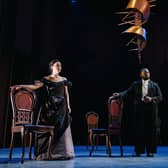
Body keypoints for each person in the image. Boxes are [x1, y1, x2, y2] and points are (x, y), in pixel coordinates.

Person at [14, 59, 75, 160]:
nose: (59, 67)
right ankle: (46, 153)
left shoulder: (64, 79)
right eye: (57, 65)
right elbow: (35, 86)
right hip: (50, 107)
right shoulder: (47, 79)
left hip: (62, 107)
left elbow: (66, 93)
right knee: (48, 129)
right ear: (52, 67)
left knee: (62, 128)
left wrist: (68, 105)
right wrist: (21, 86)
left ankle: (63, 153)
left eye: (60, 66)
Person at [110, 68, 163, 157]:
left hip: (151, 111)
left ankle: (150, 151)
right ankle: (139, 151)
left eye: (148, 72)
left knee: (151, 131)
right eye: (145, 72)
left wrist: (151, 99)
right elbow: (127, 92)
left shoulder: (154, 85)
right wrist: (119, 94)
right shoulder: (136, 84)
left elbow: (160, 97)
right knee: (139, 131)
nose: (147, 73)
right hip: (139, 110)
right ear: (141, 74)